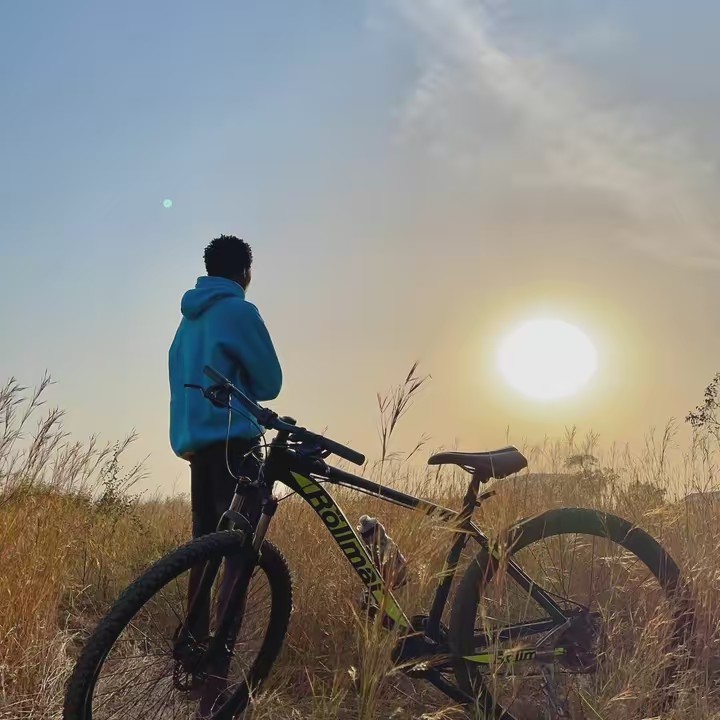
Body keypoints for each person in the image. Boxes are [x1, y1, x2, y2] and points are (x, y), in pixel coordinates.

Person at [168, 234, 282, 647]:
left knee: (204, 547)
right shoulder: (239, 311)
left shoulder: (186, 323)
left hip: (197, 448)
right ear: (245, 272)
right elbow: (270, 383)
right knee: (239, 550)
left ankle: (193, 647)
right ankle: (219, 657)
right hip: (236, 444)